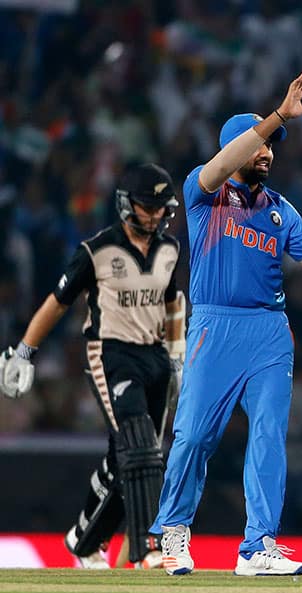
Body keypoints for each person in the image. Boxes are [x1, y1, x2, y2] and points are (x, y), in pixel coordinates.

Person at [149, 71, 302, 577]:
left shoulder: (280, 211)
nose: (269, 153)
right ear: (236, 147)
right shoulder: (201, 193)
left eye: (274, 146)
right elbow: (220, 166)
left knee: (270, 436)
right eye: (261, 145)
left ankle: (257, 547)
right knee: (193, 436)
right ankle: (173, 529)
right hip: (215, 327)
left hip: (270, 332)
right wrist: (275, 117)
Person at [0, 163, 184, 570]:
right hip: (112, 354)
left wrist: (177, 352)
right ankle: (148, 548)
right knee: (140, 452)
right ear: (126, 205)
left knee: (132, 457)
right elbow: (57, 302)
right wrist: (24, 352)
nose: (154, 215)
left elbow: (173, 303)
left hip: (154, 355)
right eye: (146, 206)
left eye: (160, 207)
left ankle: (83, 540)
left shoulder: (169, 249)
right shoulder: (97, 251)